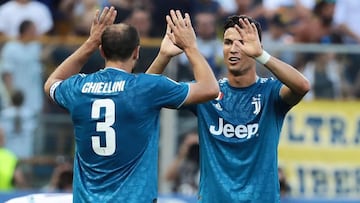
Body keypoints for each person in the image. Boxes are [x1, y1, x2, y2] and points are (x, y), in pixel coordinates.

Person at [43, 7, 219, 203]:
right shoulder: (146, 88)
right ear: (136, 52)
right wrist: (190, 47)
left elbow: (52, 82)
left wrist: (90, 42)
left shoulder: (78, 88)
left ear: (102, 51)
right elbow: (209, 89)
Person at [147, 15, 310, 202]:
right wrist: (164, 56)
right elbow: (145, 95)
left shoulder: (270, 93)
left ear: (257, 47)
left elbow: (302, 86)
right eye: (228, 42)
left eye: (242, 42)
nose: (233, 49)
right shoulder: (207, 93)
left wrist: (262, 56)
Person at [165, 131, 200, 195]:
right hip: (180, 197)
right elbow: (168, 177)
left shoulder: (205, 163)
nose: (195, 149)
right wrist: (183, 152)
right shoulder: (182, 161)